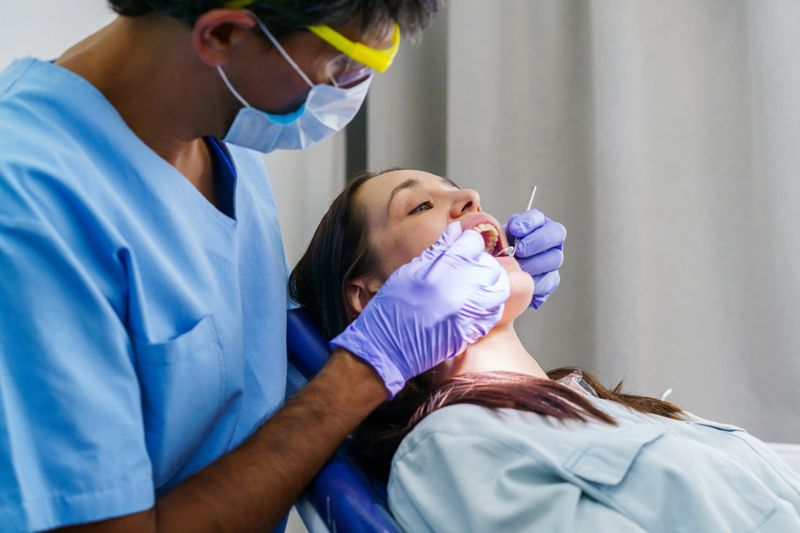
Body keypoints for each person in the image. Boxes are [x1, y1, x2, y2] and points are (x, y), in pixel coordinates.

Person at [0, 1, 569, 531]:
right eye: (343, 65)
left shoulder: (225, 124)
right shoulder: (29, 207)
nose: (351, 91)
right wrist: (371, 365)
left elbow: (233, 349)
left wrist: (475, 292)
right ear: (223, 34)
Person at [289, 168, 800, 532]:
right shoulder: (452, 446)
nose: (471, 195)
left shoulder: (604, 407)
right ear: (372, 295)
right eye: (420, 205)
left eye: (454, 187)